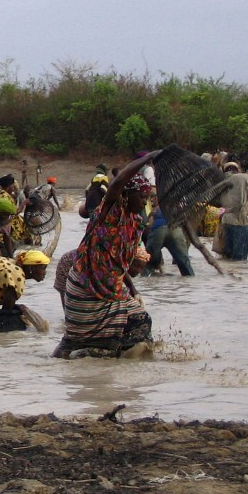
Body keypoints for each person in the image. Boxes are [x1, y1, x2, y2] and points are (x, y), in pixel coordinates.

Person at [53, 152, 159, 359]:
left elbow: (118, 264)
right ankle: (54, 367)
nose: (144, 202)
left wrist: (134, 291)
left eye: (147, 198)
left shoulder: (133, 222)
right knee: (74, 339)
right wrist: (147, 159)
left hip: (112, 289)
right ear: (126, 195)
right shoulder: (109, 212)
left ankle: (116, 367)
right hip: (85, 287)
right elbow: (118, 182)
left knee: (140, 321)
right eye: (141, 196)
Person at [218, 162, 248, 260]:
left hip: (225, 219)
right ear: (237, 169)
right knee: (240, 257)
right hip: (239, 219)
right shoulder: (244, 177)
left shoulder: (220, 179)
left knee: (228, 254)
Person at [143, 208, 194, 276]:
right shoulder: (175, 208)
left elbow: (149, 224)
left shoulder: (155, 211)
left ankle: (145, 279)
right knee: (185, 263)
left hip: (158, 230)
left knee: (149, 262)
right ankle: (190, 279)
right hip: (176, 229)